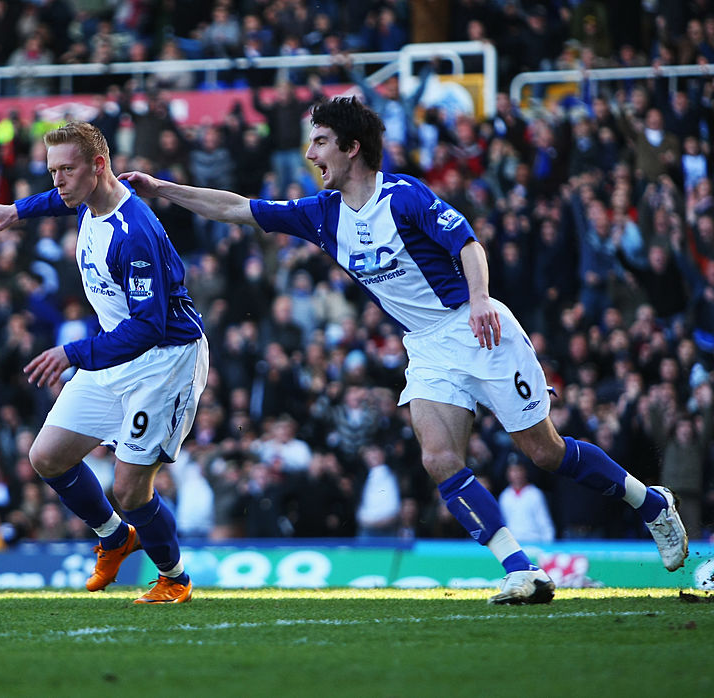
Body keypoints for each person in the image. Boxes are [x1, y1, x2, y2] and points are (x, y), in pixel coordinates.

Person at [120, 96, 689, 605]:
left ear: (352, 147)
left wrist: (483, 299)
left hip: (477, 327)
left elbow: (466, 241)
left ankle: (650, 502)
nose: (311, 153)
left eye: (320, 142)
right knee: (439, 458)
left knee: (545, 452)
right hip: (427, 348)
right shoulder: (322, 214)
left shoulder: (405, 195)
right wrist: (164, 190)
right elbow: (237, 208)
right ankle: (523, 571)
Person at [0, 121, 208, 604]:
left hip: (165, 361)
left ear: (98, 166)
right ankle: (116, 539)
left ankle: (174, 577)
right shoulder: (87, 199)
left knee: (130, 488)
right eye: (51, 170)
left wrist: (72, 353)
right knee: (47, 456)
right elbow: (60, 199)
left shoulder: (134, 232)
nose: (57, 181)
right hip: (119, 349)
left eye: (66, 170)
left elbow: (149, 327)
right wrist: (16, 210)